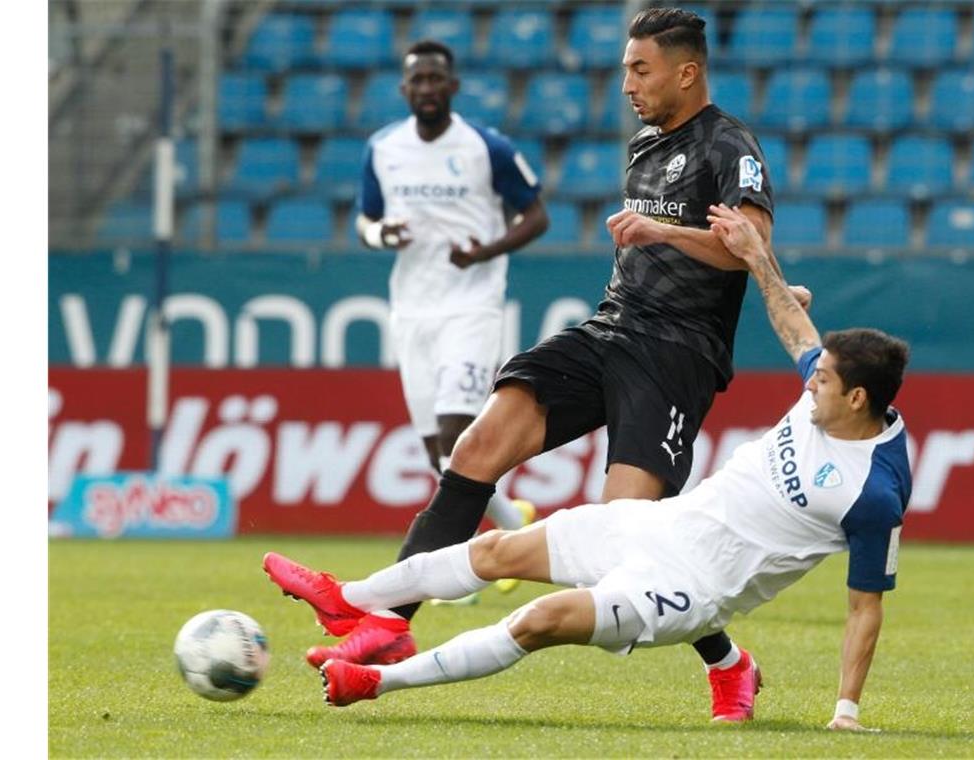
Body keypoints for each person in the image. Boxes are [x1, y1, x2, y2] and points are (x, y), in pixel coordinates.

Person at [272, 8, 810, 721]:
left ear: (687, 71)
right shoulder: (645, 143)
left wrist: (661, 230)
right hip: (609, 329)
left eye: (639, 69)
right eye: (625, 69)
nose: (627, 84)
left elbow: (753, 247)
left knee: (627, 536)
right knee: (476, 445)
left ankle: (730, 664)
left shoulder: (729, 145)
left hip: (677, 355)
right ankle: (391, 623)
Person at [264, 204, 911, 731]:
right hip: (664, 526)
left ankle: (375, 681)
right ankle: (346, 596)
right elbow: (793, 322)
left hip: (694, 589)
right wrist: (755, 255)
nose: (809, 382)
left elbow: (865, 609)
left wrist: (845, 713)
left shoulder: (873, 492)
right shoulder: (826, 389)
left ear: (858, 399)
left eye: (822, 381)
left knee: (541, 620)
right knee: (495, 550)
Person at [350, 40, 548, 616]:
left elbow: (537, 214)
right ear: (405, 89)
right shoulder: (383, 148)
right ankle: (512, 523)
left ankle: (449, 564)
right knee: (436, 450)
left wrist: (486, 250)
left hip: (472, 304)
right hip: (412, 309)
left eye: (437, 78)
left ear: (453, 86)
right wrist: (382, 235)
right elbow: (364, 220)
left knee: (457, 431)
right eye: (418, 80)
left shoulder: (487, 147)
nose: (428, 88)